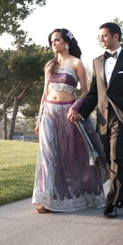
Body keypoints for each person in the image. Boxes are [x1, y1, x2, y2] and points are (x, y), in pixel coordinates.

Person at [68, 22, 123, 218]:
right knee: (109, 160)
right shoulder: (97, 61)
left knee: (117, 158)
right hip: (103, 119)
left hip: (122, 119)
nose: (101, 39)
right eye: (100, 36)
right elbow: (93, 94)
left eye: (104, 35)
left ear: (116, 36)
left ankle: (111, 203)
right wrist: (80, 112)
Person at [32, 28, 109, 213]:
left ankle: (77, 195)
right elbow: (45, 93)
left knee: (70, 155)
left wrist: (76, 108)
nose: (53, 44)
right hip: (49, 112)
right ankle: (48, 199)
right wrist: (39, 118)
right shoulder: (50, 66)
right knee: (49, 156)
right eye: (51, 41)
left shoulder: (76, 63)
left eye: (56, 40)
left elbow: (85, 92)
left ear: (66, 42)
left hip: (68, 114)